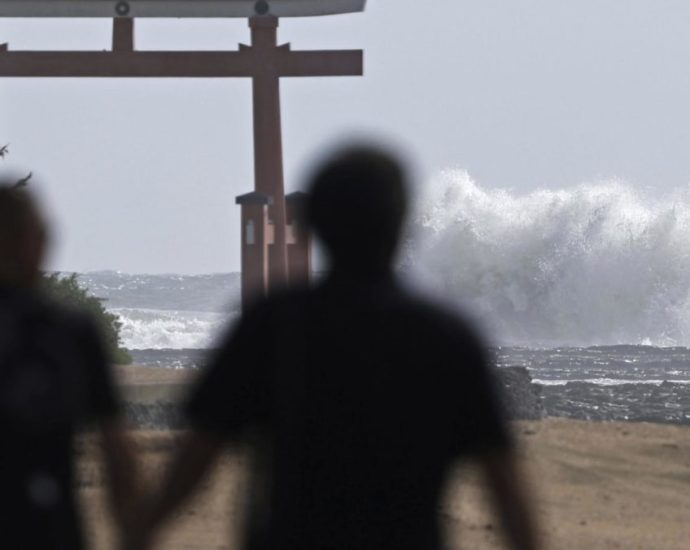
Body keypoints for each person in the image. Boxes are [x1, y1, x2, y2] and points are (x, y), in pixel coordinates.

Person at [131, 145, 540, 550]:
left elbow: (200, 452)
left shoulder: (272, 325)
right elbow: (502, 480)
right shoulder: (446, 337)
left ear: (309, 225)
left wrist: (140, 530)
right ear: (402, 227)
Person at [0, 182, 138, 549]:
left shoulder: (71, 330)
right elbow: (117, 453)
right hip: (49, 529)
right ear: (38, 242)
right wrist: (137, 533)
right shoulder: (69, 330)